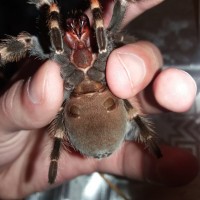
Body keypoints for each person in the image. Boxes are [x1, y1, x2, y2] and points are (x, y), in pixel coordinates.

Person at [0, 0, 198, 199]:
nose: (78, 38)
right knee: (29, 41)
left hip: (81, 103)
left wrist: (51, 9)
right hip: (93, 101)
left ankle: (56, 159)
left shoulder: (87, 53)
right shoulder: (87, 53)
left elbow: (118, 38)